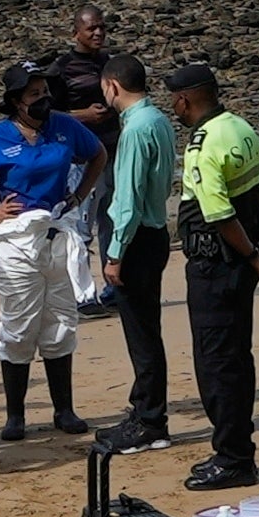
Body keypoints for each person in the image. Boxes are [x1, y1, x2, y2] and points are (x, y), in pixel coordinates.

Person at [0, 59, 103, 442]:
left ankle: (63, 410)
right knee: (19, 326)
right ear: (16, 101)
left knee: (60, 322)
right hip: (15, 242)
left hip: (55, 235)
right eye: (34, 95)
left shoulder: (64, 127)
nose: (43, 100)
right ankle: (15, 416)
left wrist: (78, 196)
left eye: (45, 93)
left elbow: (97, 155)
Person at [163, 61, 259, 490]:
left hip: (218, 266)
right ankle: (235, 452)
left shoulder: (203, 145)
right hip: (242, 260)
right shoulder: (241, 128)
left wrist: (251, 254)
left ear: (184, 100)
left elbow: (219, 214)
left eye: (173, 100)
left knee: (217, 364)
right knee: (236, 357)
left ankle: (233, 458)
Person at [94, 44, 181, 447]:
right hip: (156, 230)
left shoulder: (133, 129)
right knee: (147, 328)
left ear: (113, 86)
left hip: (137, 238)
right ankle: (146, 410)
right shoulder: (159, 120)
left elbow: (126, 200)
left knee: (141, 333)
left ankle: (150, 421)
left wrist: (115, 254)